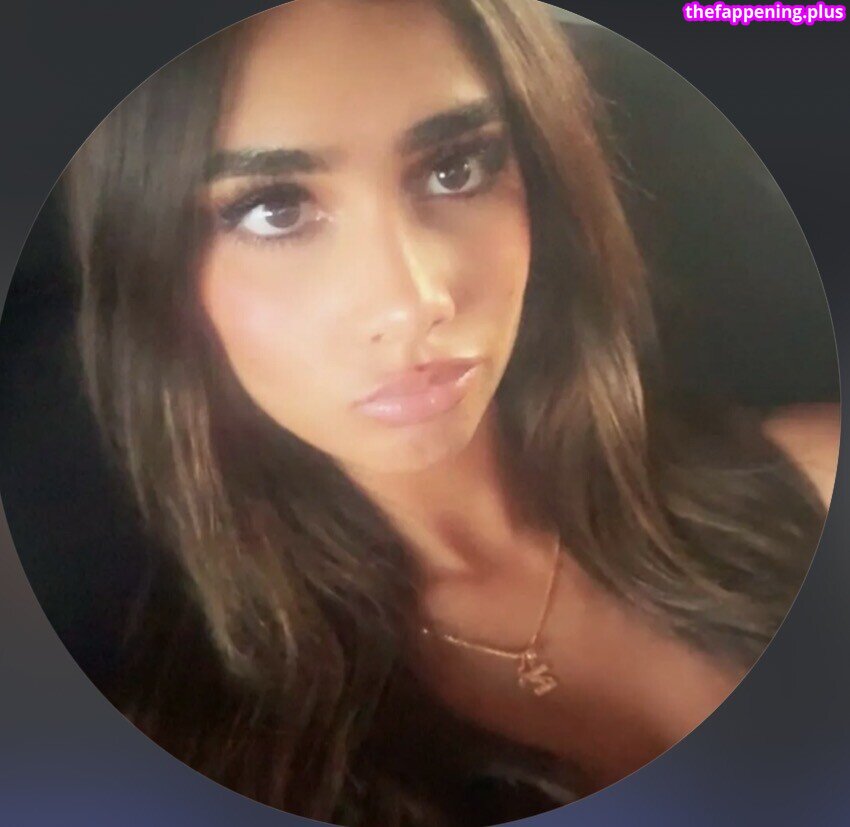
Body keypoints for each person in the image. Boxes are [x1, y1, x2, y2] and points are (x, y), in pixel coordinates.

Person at [62, 0, 839, 824]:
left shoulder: (813, 478)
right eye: (275, 209)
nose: (414, 298)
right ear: (155, 277)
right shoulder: (206, 758)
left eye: (456, 168)